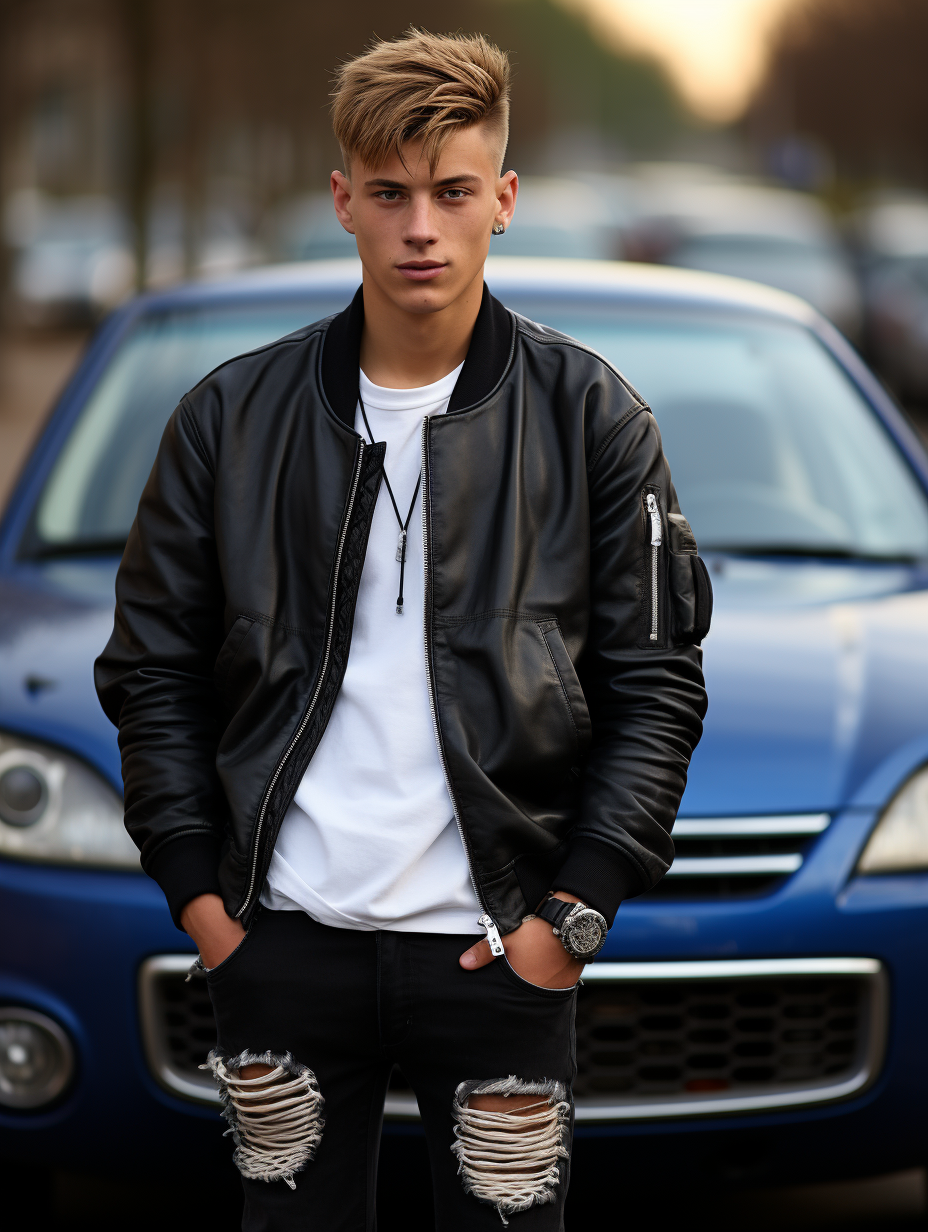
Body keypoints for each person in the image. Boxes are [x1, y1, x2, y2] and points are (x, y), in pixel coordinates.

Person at [95, 28, 709, 1231]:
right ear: (342, 201)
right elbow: (153, 670)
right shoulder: (228, 417)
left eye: (451, 192)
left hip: (498, 956)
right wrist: (204, 907)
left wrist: (570, 920)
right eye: (389, 193)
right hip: (281, 947)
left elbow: (656, 686)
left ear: (504, 200)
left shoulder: (593, 418)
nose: (420, 227)